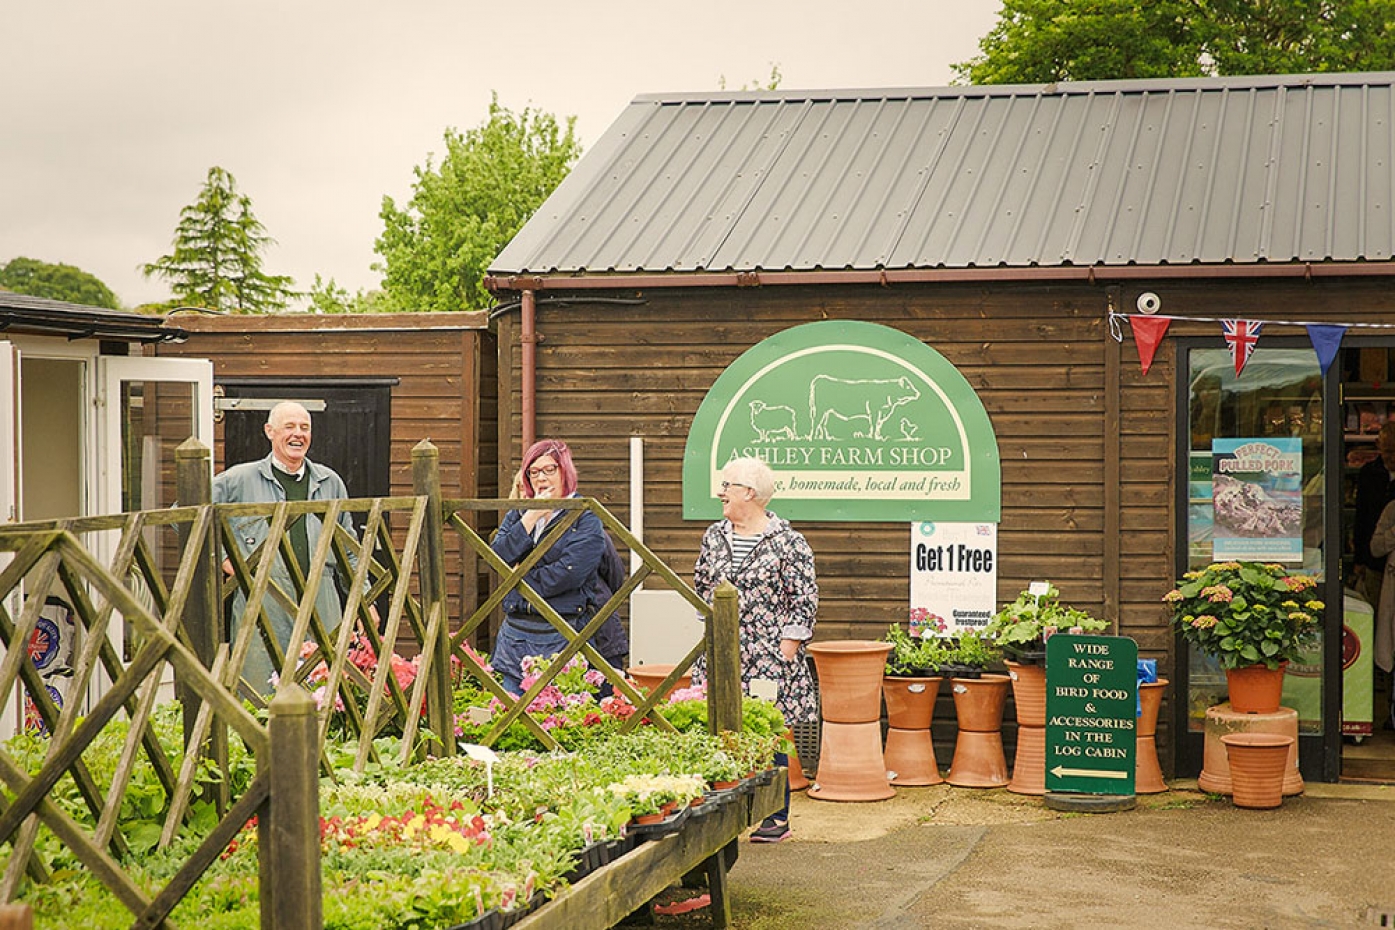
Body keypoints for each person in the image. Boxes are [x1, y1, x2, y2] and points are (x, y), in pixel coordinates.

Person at [692, 456, 817, 843]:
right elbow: (700, 583)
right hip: (721, 651)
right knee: (716, 727)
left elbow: (804, 599)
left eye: (727, 485)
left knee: (767, 733)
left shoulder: (788, 542)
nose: (719, 493)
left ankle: (774, 818)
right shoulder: (714, 537)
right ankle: (722, 812)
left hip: (769, 656)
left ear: (749, 493)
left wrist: (787, 649)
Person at [212, 401, 365, 694]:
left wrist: (364, 599)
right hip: (263, 602)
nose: (298, 434)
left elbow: (349, 549)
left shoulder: (329, 482)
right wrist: (223, 559)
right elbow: (184, 514)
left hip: (323, 600)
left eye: (304, 428)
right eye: (289, 426)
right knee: (259, 698)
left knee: (326, 693)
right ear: (269, 431)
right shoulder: (239, 480)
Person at [491, 440, 608, 696]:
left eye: (549, 470)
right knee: (509, 713)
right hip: (515, 634)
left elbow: (568, 574)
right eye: (534, 472)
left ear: (564, 471)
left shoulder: (585, 518)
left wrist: (516, 577)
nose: (541, 478)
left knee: (558, 715)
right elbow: (498, 556)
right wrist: (531, 517)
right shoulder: (519, 513)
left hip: (562, 629)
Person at [1352, 421, 1395, 606]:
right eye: (1388, 451)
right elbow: (1361, 517)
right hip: (1374, 561)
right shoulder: (1369, 473)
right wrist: (1359, 559)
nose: (1392, 458)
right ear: (1379, 445)